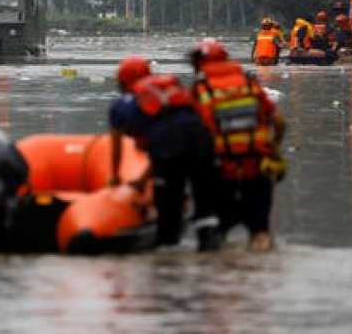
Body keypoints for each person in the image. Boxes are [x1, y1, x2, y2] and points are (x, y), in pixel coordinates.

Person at [109, 56, 221, 251]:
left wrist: (115, 176)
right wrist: (144, 179)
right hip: (203, 143)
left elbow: (122, 144)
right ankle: (208, 242)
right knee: (204, 198)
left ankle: (168, 245)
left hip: (169, 150)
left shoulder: (124, 104)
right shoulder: (172, 90)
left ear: (123, 81)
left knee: (168, 200)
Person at [190, 40, 286, 252]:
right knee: (260, 232)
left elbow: (195, 136)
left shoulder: (201, 89)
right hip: (258, 167)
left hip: (222, 171)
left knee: (218, 233)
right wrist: (274, 151)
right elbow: (278, 122)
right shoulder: (250, 84)